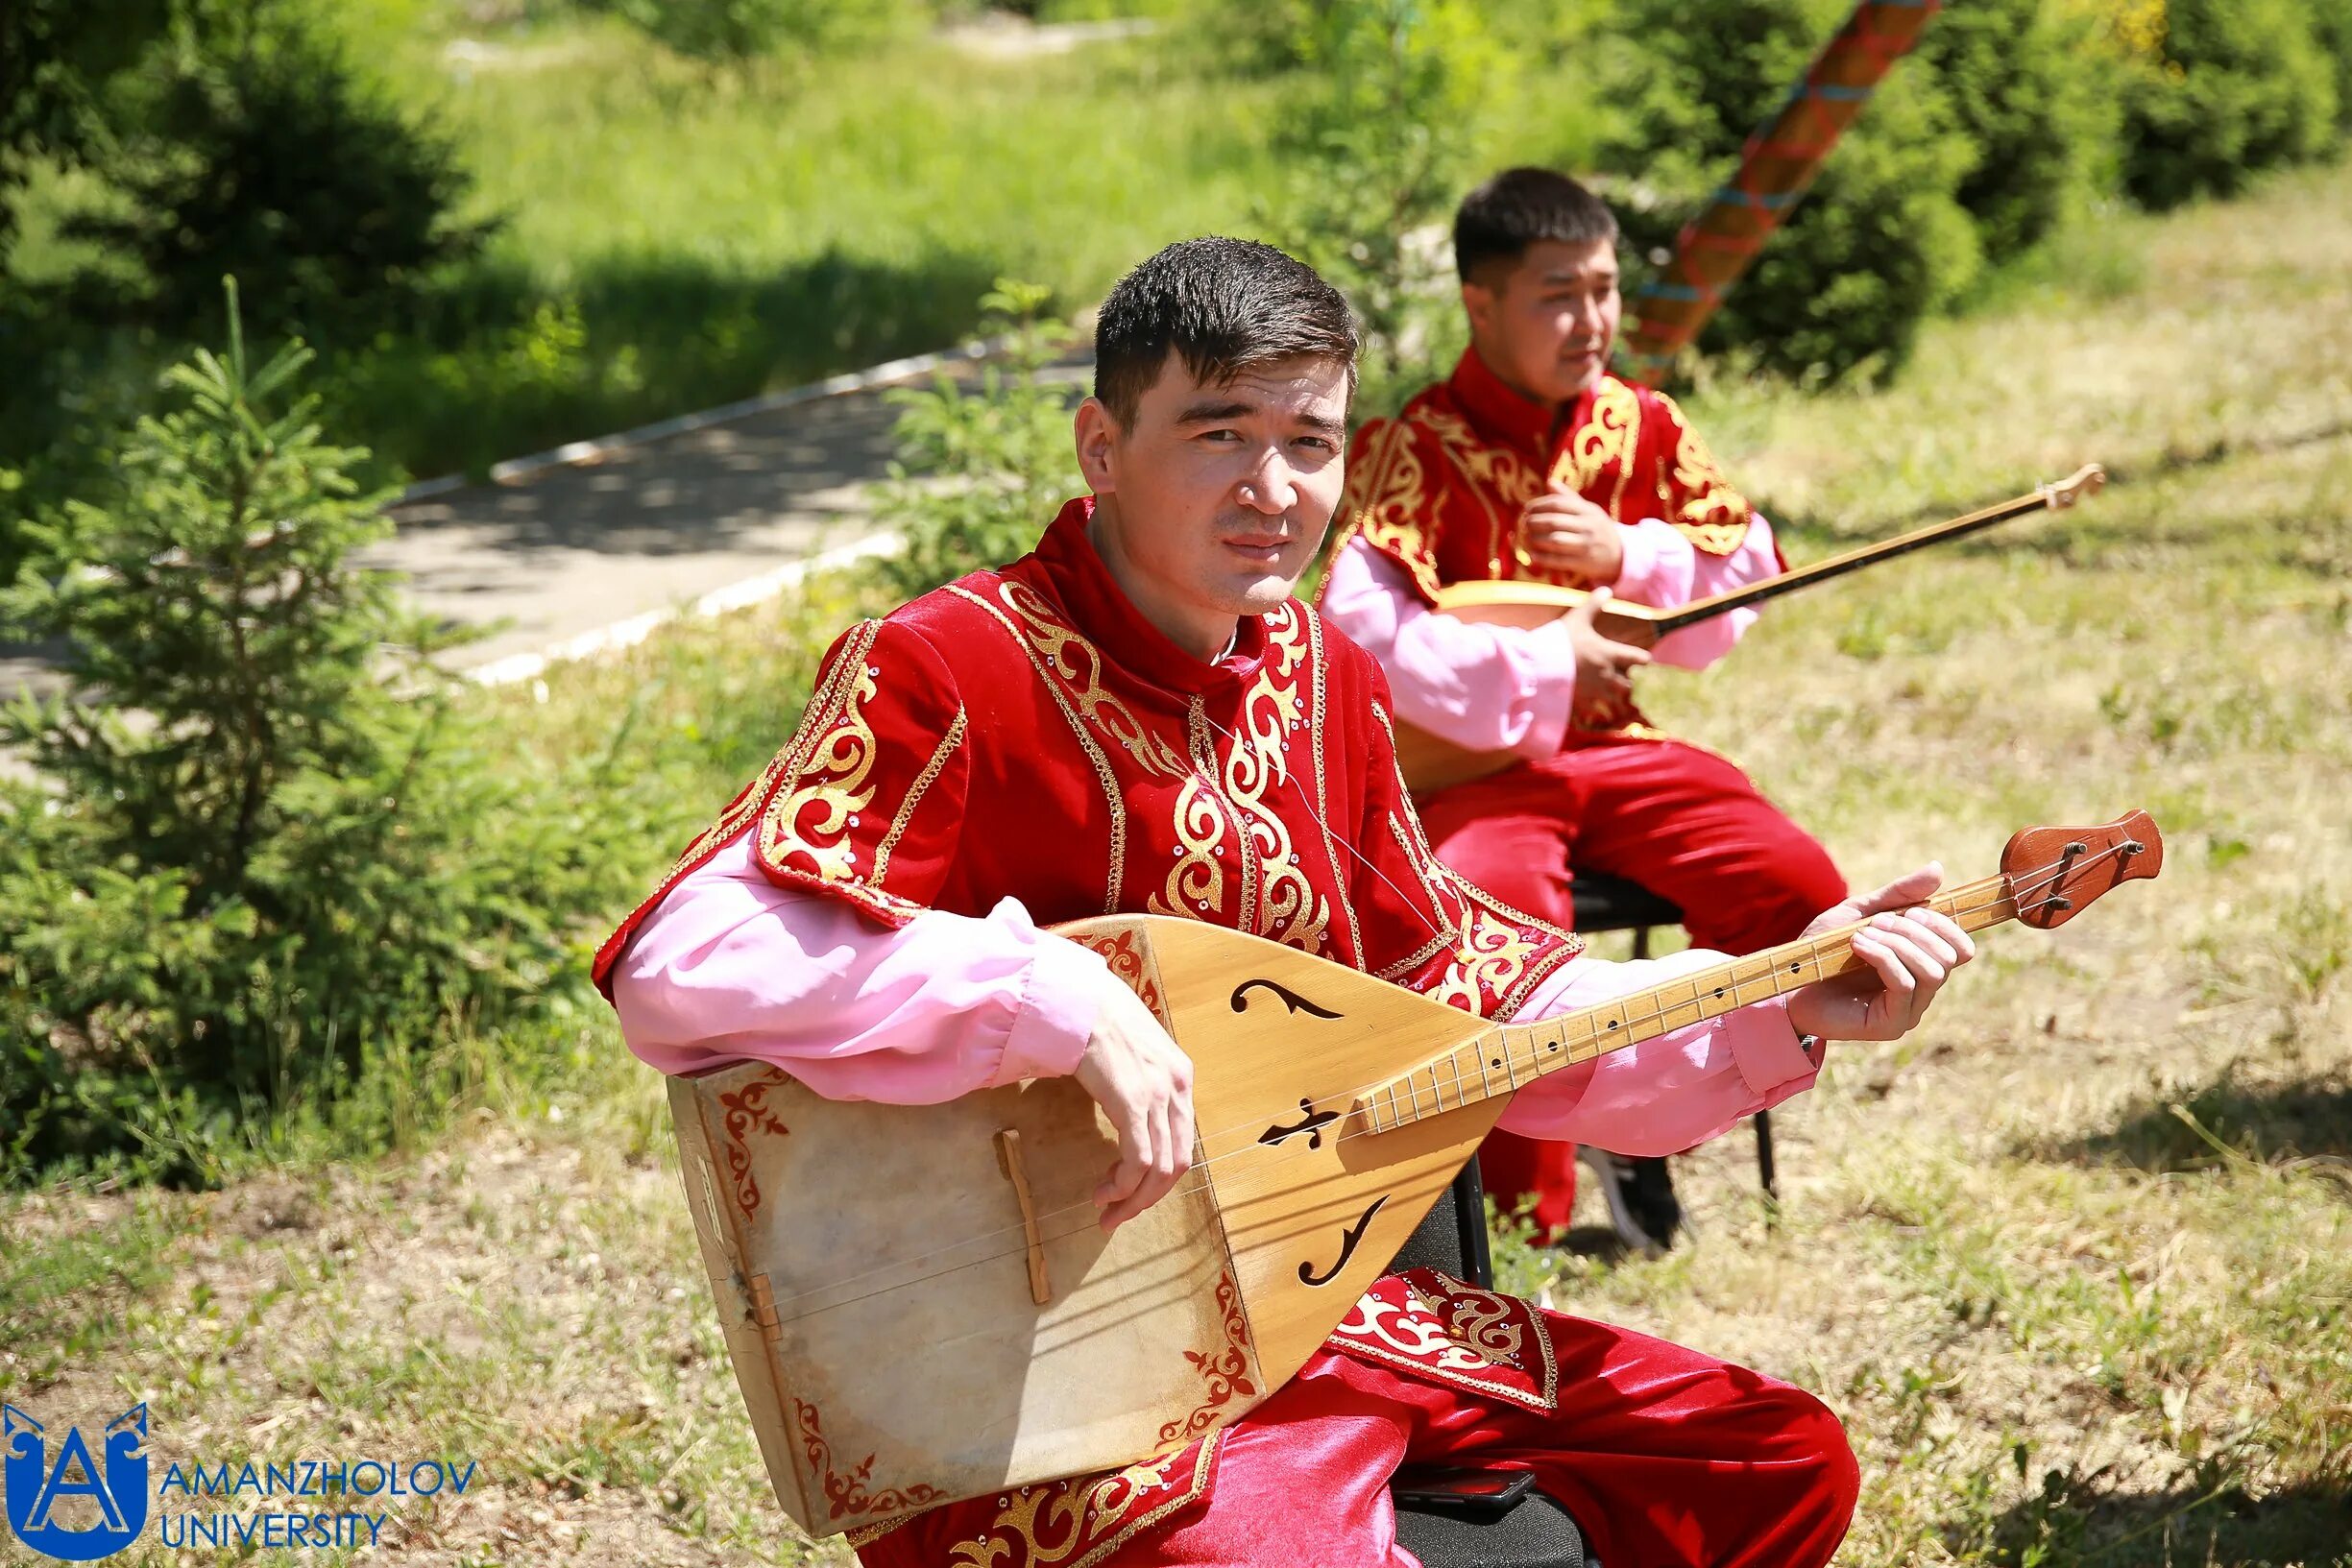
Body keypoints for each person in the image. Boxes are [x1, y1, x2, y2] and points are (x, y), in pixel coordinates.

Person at [598, 237, 1975, 1568]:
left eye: (1309, 442)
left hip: (1325, 1308)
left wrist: (1777, 995)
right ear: (1100, 447)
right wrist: (1048, 996)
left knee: (1767, 1458)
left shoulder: (1325, 680)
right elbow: (680, 957)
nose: (1273, 486)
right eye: (1218, 434)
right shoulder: (950, 661)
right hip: (1047, 1381)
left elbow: (1465, 992)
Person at [1319, 167, 1847, 1253]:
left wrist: (1634, 554)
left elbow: (1737, 588)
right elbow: (1357, 634)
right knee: (1493, 933)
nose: (1592, 321)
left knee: (1799, 891)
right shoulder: (1408, 446)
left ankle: (1654, 1124)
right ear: (1481, 304)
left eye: (1605, 290)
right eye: (1558, 295)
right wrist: (1541, 660)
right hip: (1479, 770)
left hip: (1620, 751)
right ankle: (1523, 1228)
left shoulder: (1642, 425)